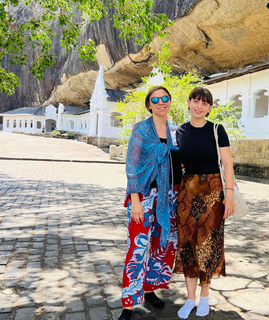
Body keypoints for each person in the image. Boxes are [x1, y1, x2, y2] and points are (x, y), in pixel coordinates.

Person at [118, 86, 182, 320]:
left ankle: (149, 290)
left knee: (161, 245)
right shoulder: (141, 130)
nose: (161, 102)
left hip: (169, 198)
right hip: (144, 197)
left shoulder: (176, 132)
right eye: (155, 99)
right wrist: (135, 200)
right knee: (137, 248)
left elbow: (180, 163)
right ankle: (127, 304)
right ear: (149, 105)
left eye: (165, 98)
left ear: (170, 102)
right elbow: (132, 167)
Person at [174, 87, 235, 319]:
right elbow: (176, 165)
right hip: (187, 193)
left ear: (210, 108)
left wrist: (228, 194)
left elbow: (228, 164)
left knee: (208, 245)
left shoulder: (217, 130)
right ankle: (190, 299)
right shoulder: (179, 131)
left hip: (213, 193)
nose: (199, 106)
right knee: (188, 244)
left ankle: (205, 297)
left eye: (205, 102)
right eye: (196, 101)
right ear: (188, 103)